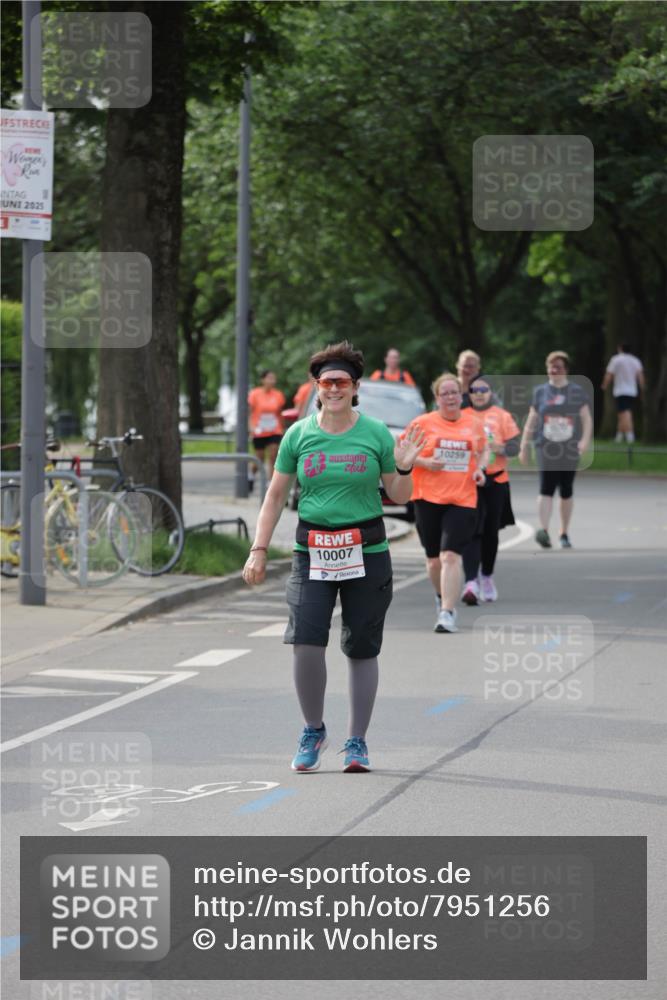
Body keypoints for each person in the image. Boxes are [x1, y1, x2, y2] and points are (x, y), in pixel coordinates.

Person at [242, 341, 424, 773]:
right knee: (305, 643)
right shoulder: (299, 435)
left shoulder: (376, 433)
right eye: (327, 382)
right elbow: (275, 495)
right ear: (316, 387)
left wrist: (403, 468)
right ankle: (313, 729)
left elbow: (399, 496)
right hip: (313, 553)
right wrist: (259, 548)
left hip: (367, 550)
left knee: (361, 648)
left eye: (342, 382)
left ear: (355, 387)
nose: (335, 389)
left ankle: (357, 741)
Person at [406, 373, 488, 633]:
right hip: (426, 497)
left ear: (461, 395)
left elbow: (486, 448)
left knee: (450, 555)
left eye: (455, 393)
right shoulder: (422, 423)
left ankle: (447, 613)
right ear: (437, 398)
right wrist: (425, 463)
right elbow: (402, 454)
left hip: (462, 498)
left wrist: (481, 469)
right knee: (433, 561)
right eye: (445, 393)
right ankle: (443, 596)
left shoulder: (473, 423)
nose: (451, 397)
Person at [519, 351, 593, 549]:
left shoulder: (576, 392)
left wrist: (585, 440)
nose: (554, 370)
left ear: (566, 370)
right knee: (546, 487)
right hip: (546, 446)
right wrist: (524, 445)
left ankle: (564, 533)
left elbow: (586, 419)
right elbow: (532, 419)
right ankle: (544, 531)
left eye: (558, 366)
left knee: (566, 490)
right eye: (551, 366)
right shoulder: (540, 392)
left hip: (569, 447)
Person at [461, 375, 520, 604]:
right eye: (474, 390)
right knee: (471, 530)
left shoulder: (501, 416)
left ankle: (486, 576)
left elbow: (515, 447)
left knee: (490, 532)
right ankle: (470, 582)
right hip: (469, 482)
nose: (478, 394)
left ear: (490, 392)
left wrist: (500, 447)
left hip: (496, 481)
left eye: (483, 389)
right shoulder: (463, 415)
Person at [601, 344, 644, 443]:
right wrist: (642, 389)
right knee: (621, 413)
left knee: (625, 412)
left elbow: (609, 374)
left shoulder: (616, 359)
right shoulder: (635, 360)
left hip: (621, 390)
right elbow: (640, 376)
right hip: (632, 391)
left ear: (620, 349)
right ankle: (619, 437)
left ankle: (630, 436)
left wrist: (604, 385)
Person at [248, 370, 286, 479]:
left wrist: (282, 429)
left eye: (273, 378)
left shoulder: (278, 394)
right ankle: (251, 475)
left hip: (274, 430)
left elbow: (280, 413)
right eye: (269, 378)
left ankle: (271, 483)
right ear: (263, 380)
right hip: (259, 430)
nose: (272, 381)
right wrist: (251, 428)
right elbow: (250, 413)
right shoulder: (255, 394)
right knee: (259, 458)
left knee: (273, 455)